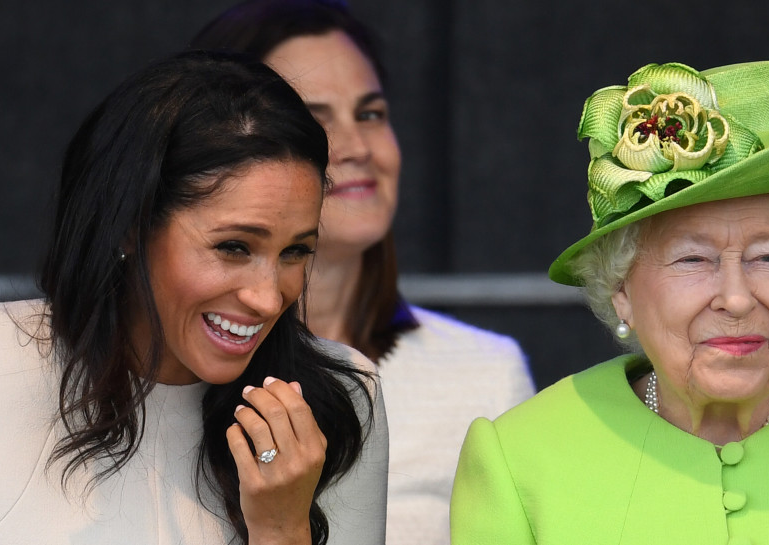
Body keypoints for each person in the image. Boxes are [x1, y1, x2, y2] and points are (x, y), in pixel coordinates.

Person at [451, 60, 769, 543]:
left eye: (768, 257)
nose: (737, 299)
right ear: (621, 290)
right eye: (693, 260)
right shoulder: (521, 459)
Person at [0, 50, 387, 545]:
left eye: (295, 251)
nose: (267, 299)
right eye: (234, 247)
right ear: (130, 227)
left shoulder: (335, 402)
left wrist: (282, 531)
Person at [190, 3, 535, 544]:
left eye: (370, 114)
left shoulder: (486, 372)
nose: (355, 148)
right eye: (313, 119)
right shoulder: (182, 373)